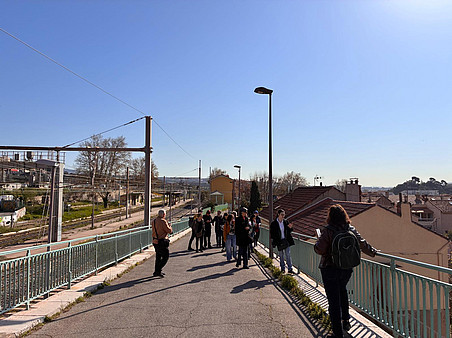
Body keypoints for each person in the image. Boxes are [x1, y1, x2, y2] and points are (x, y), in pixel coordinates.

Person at [314, 204, 377, 338]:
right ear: (344, 216)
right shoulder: (351, 229)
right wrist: (373, 252)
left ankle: (337, 332)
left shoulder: (328, 231)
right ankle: (346, 321)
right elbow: (362, 243)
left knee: (333, 300)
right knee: (342, 291)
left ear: (330, 217)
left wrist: (318, 240)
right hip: (346, 268)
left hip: (329, 268)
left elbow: (319, 249)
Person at [270, 209, 294, 274]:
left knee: (288, 254)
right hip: (279, 241)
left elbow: (289, 231)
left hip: (286, 240)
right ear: (278, 214)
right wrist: (274, 242)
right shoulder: (274, 223)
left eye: (284, 214)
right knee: (281, 255)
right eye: (282, 214)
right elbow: (272, 233)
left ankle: (290, 269)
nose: (283, 216)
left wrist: (290, 228)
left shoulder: (285, 222)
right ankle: (282, 269)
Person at [152, 209, 173, 277]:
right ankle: (158, 270)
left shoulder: (154, 221)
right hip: (162, 241)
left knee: (158, 257)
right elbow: (169, 230)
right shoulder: (163, 221)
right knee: (165, 256)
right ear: (164, 214)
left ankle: (156, 271)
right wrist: (169, 226)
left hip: (155, 241)